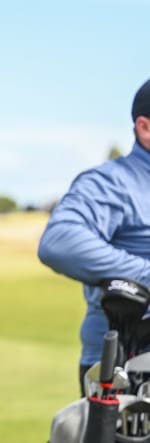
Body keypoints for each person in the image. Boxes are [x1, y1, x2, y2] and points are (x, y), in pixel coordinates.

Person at [38, 77, 150, 395]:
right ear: (145, 128)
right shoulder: (112, 182)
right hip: (129, 373)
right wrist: (145, 275)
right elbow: (61, 241)